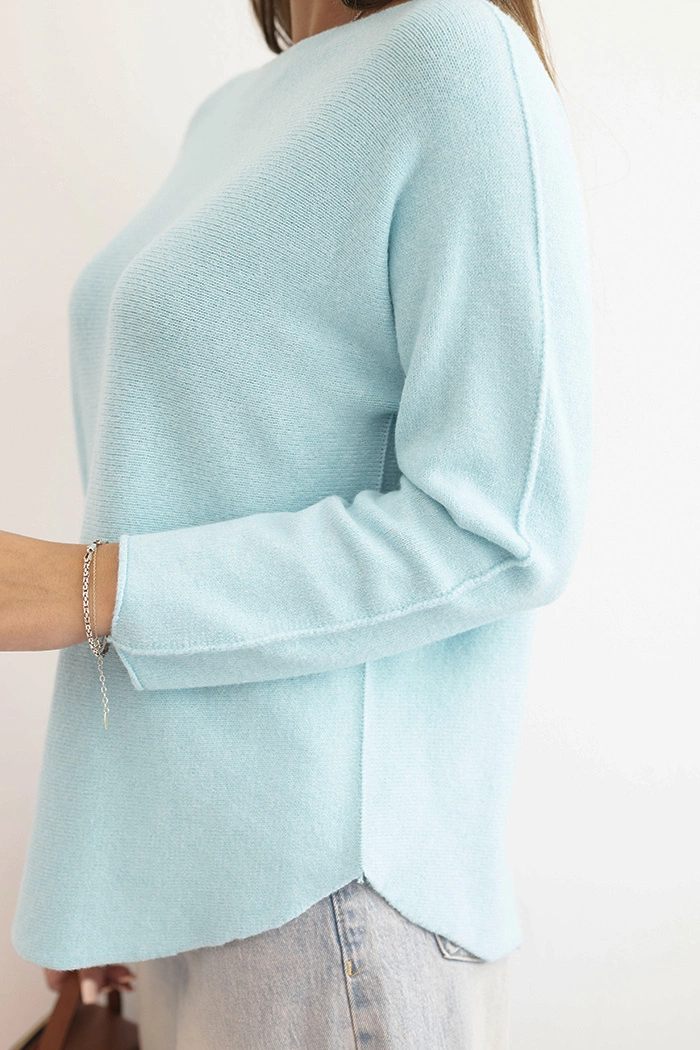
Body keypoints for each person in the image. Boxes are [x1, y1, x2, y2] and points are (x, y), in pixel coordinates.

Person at [3, 0, 593, 1045]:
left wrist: (88, 585)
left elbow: (500, 528)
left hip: (327, 904)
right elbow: (164, 490)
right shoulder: (229, 116)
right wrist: (101, 872)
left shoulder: (455, 56)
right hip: (179, 898)